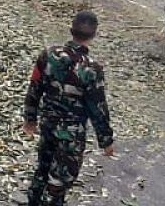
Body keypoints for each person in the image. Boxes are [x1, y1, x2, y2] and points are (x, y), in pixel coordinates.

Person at [22, 11, 115, 206]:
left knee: (43, 169)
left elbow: (34, 88)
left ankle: (34, 201)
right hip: (71, 135)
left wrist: (30, 119)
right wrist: (106, 140)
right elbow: (97, 108)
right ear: (93, 35)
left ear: (71, 30)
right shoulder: (91, 69)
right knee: (59, 181)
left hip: (48, 125)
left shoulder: (48, 55)